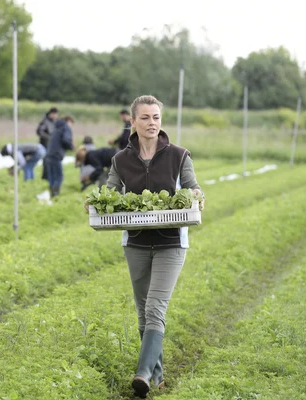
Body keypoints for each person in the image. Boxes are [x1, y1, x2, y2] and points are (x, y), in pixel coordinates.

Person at [105, 95, 204, 397]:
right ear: (132, 122)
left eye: (156, 117)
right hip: (135, 242)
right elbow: (109, 193)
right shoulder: (120, 160)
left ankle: (143, 373)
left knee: (155, 308)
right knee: (142, 313)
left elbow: (192, 186)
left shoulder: (178, 155)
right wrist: (95, 203)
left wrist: (198, 195)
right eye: (145, 117)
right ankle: (157, 376)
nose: (152, 123)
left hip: (171, 242)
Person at [46, 115, 75, 197]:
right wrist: (71, 146)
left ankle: (51, 194)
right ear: (69, 121)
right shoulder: (66, 127)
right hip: (57, 155)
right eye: (71, 124)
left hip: (49, 154)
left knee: (51, 176)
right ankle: (55, 195)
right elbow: (66, 140)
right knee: (59, 176)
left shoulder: (56, 128)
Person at [36, 107, 59, 181]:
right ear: (51, 114)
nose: (56, 116)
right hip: (45, 144)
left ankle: (50, 177)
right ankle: (45, 177)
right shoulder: (45, 122)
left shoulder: (54, 122)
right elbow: (39, 132)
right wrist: (49, 137)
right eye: (55, 114)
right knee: (46, 161)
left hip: (51, 145)